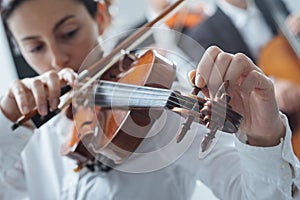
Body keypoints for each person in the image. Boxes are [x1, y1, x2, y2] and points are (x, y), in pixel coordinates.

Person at [0, 0, 299, 199]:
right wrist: (5, 122)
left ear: (101, 18)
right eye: (35, 47)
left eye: (69, 33)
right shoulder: (30, 130)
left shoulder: (155, 110)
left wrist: (263, 137)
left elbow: (253, 193)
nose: (57, 58)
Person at [180, 0, 300, 137]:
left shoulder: (272, 3)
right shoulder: (202, 34)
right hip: (278, 120)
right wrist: (270, 85)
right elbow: (225, 86)